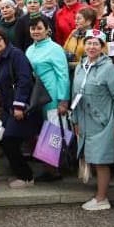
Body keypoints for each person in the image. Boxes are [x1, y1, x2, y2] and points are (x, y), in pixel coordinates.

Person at [66, 30, 114, 211]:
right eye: (89, 43)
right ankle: (99, 193)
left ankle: (102, 198)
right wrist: (75, 120)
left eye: (96, 43)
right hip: (84, 120)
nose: (92, 47)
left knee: (101, 160)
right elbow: (74, 94)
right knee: (91, 157)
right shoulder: (80, 65)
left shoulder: (109, 68)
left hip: (103, 121)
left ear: (102, 47)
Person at [0, 29, 38, 188]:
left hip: (20, 108)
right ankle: (20, 173)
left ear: (5, 40)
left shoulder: (16, 55)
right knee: (5, 139)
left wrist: (19, 105)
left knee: (9, 140)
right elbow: (0, 80)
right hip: (9, 107)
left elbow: (24, 80)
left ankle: (26, 177)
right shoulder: (0, 58)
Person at [25, 15, 71, 181]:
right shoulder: (30, 49)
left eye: (39, 28)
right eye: (33, 28)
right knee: (41, 130)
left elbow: (63, 75)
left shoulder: (55, 48)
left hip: (52, 94)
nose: (36, 31)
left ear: (47, 30)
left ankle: (54, 169)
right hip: (36, 95)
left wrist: (63, 99)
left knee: (54, 130)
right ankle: (47, 167)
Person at [63, 8, 98, 72]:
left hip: (87, 72)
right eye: (75, 19)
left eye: (79, 19)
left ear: (88, 21)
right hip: (70, 72)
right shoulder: (73, 33)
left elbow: (92, 62)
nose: (76, 21)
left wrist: (68, 65)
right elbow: (64, 49)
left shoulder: (95, 37)